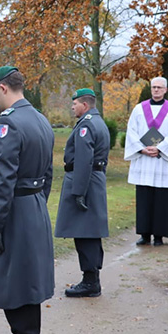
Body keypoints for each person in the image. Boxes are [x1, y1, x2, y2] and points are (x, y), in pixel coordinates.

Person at [0, 66, 55, 334]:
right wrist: (37, 201)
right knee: (28, 283)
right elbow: (50, 174)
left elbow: (2, 181)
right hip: (35, 206)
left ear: (2, 89)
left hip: (14, 211)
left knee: (16, 286)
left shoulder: (8, 125)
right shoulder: (40, 120)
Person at [55, 88, 110, 297]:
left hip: (84, 182)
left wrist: (78, 191)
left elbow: (84, 160)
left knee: (84, 233)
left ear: (84, 105)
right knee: (90, 232)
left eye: (75, 103)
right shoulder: (98, 122)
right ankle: (92, 278)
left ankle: (90, 281)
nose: (72, 107)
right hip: (94, 181)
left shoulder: (86, 124)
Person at [123, 76, 168, 246]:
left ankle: (159, 235)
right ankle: (144, 234)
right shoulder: (138, 109)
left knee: (161, 200)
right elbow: (131, 132)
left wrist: (160, 149)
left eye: (159, 87)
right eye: (154, 87)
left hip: (162, 161)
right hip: (144, 160)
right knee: (145, 198)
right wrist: (142, 149)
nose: (156, 90)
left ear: (165, 89)